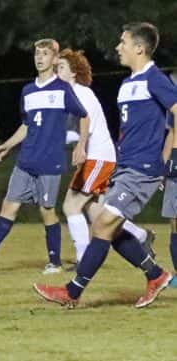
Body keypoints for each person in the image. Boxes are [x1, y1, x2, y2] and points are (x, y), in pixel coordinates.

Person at [34, 22, 176, 308]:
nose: (117, 47)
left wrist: (168, 158)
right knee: (107, 227)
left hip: (143, 169)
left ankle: (71, 292)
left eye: (123, 42)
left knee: (102, 223)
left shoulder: (155, 79)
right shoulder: (126, 85)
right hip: (125, 165)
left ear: (139, 47)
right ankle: (156, 274)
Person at [0, 39, 89, 274]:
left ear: (55, 59)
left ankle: (54, 263)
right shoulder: (28, 91)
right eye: (37, 53)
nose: (40, 58)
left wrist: (81, 145)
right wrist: (7, 145)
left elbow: (83, 116)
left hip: (49, 161)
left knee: (46, 211)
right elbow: (27, 125)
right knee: (8, 207)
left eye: (45, 54)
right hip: (26, 160)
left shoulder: (62, 89)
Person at [57, 48, 154, 266]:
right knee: (98, 214)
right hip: (98, 157)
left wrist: (77, 145)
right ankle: (139, 235)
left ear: (73, 72)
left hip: (98, 157)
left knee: (71, 206)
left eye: (61, 67)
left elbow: (86, 124)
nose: (56, 71)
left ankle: (82, 258)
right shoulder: (70, 94)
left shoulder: (80, 92)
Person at [161, 115, 177, 288]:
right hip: (175, 171)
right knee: (174, 222)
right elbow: (172, 134)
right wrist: (163, 167)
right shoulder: (173, 103)